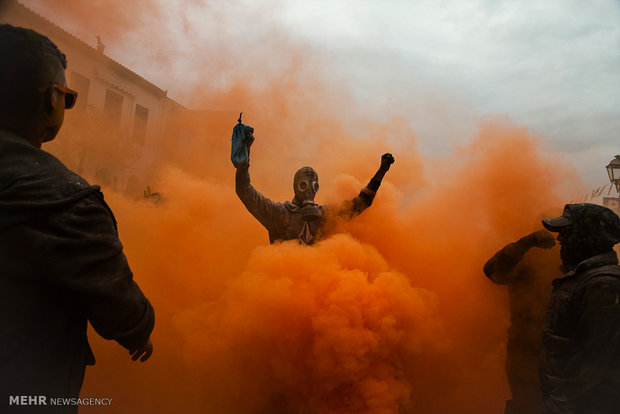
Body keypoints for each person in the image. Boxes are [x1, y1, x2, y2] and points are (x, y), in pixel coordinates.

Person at [0, 24, 154, 411]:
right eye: (67, 98)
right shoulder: (65, 198)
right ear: (52, 100)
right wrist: (139, 331)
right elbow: (115, 297)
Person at [233, 124, 395, 245]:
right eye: (304, 185)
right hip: (283, 281)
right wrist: (243, 166)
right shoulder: (279, 214)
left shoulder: (323, 216)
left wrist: (381, 171)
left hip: (315, 280)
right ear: (296, 187)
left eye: (314, 186)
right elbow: (245, 191)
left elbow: (361, 203)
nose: (309, 190)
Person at [540, 203, 620, 414]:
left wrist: (556, 407)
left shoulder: (604, 284)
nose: (560, 239)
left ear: (589, 235)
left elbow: (592, 361)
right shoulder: (583, 278)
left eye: (568, 232)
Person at [483, 225, 561, 414]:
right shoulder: (524, 262)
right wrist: (526, 243)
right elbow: (492, 270)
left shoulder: (570, 263)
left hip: (559, 351)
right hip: (525, 348)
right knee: (526, 403)